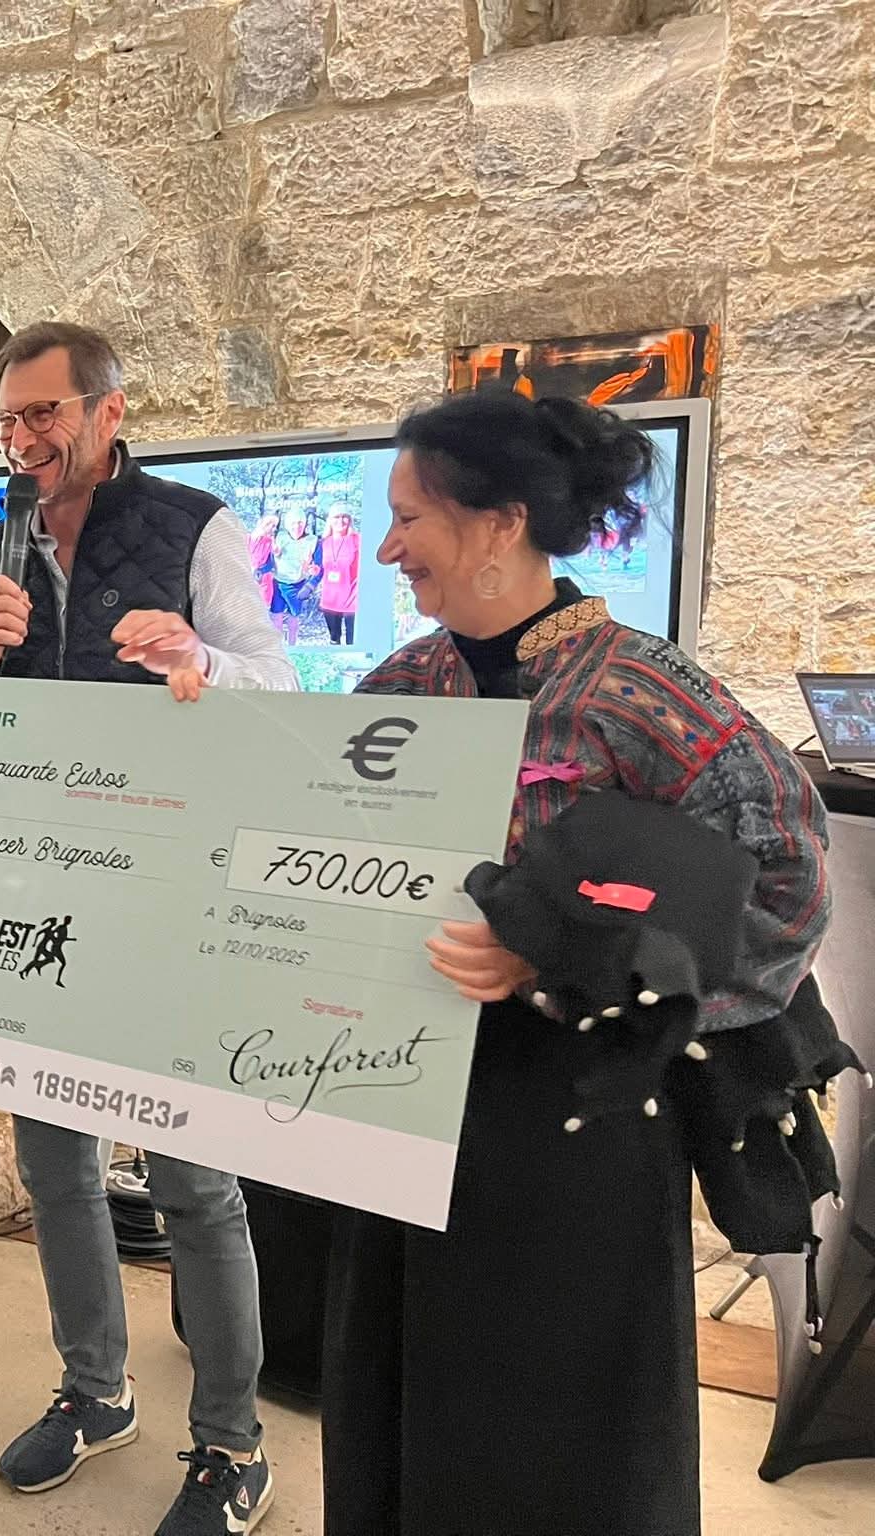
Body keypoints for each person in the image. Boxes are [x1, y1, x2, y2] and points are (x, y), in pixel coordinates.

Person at [319, 389, 831, 1536]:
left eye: (408, 517)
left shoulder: (645, 696)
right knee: (403, 1408)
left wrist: (558, 963)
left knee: (556, 1437)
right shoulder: (399, 688)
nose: (387, 547)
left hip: (573, 1128)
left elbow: (788, 890)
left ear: (498, 524)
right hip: (399, 1105)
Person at [0, 322, 295, 1535]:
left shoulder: (194, 526)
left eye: (43, 413)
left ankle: (231, 1445)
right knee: (55, 1169)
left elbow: (279, 685)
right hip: (39, 894)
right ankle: (94, 1392)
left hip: (169, 896)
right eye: (7, 418)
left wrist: (197, 658)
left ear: (107, 414)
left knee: (194, 1183)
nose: (22, 438)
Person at [268, 511, 320, 646]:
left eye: (300, 523)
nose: (297, 526)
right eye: (293, 523)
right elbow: (270, 559)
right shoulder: (279, 537)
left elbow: (317, 566)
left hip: (297, 584)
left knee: (294, 615)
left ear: (305, 524)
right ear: (287, 525)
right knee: (276, 615)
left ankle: (292, 645)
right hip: (278, 583)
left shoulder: (312, 541)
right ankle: (278, 645)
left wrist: (313, 570)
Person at [317, 509, 361, 647]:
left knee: (352, 642)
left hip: (352, 599)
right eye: (336, 517)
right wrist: (312, 570)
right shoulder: (323, 543)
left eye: (345, 517)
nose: (341, 521)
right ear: (330, 520)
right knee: (334, 640)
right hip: (330, 599)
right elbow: (319, 568)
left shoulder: (357, 540)